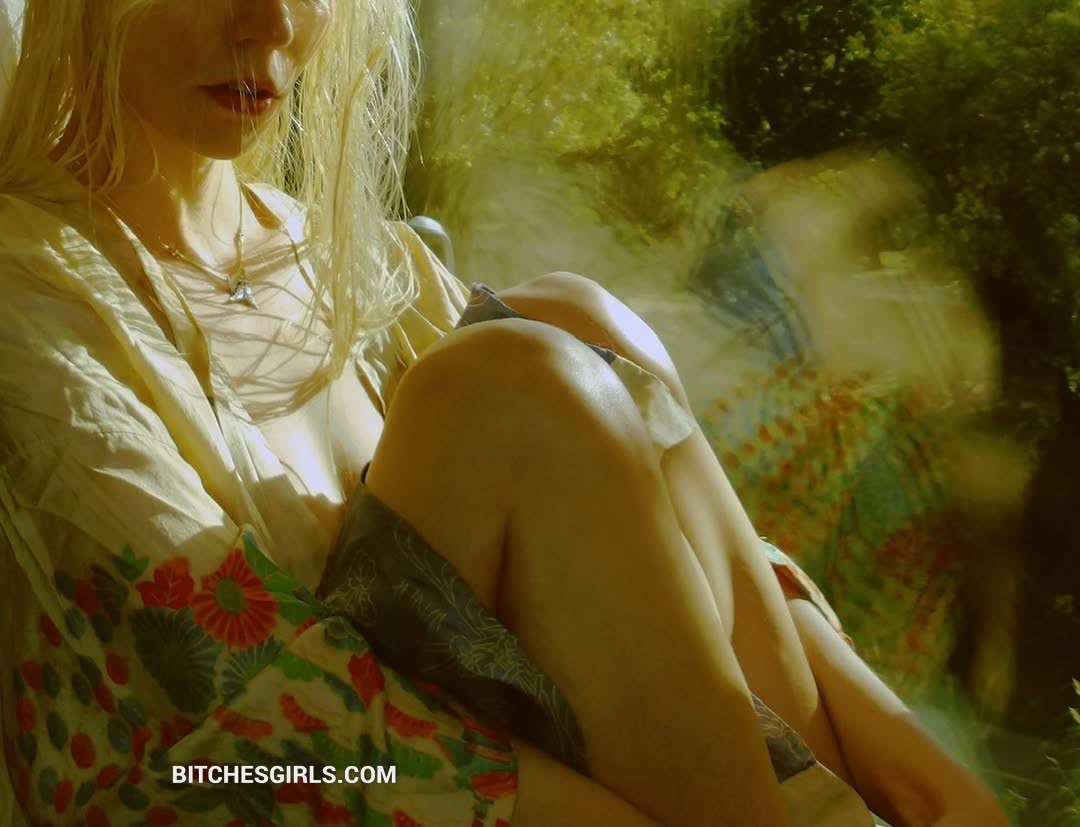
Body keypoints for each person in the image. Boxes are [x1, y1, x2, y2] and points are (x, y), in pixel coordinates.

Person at [0, 1, 1009, 825]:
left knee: (574, 319)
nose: (270, 21)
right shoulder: (28, 295)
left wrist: (914, 761)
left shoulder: (353, 256)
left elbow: (645, 545)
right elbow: (258, 727)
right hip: (251, 783)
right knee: (512, 384)